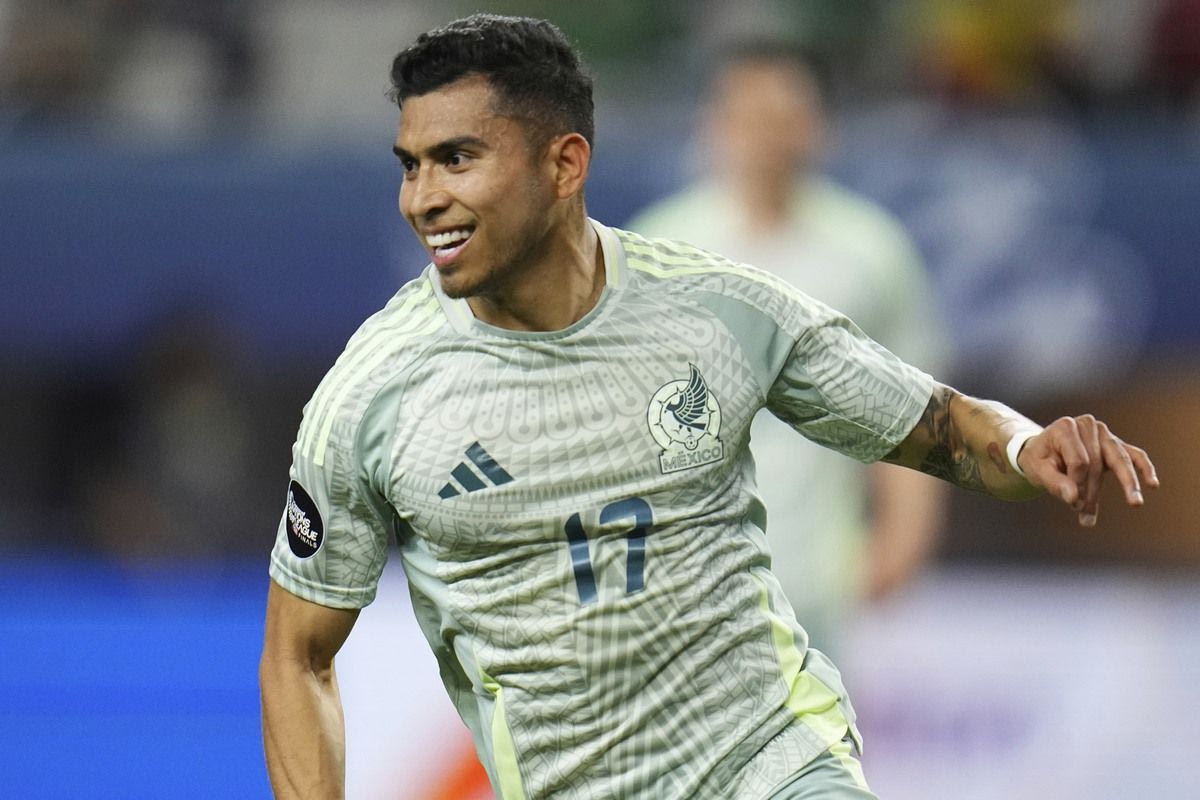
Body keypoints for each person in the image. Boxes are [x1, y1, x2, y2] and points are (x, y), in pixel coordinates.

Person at [259, 14, 1158, 800]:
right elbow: (298, 654)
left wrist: (1027, 447)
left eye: (457, 159)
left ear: (564, 163)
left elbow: (939, 424)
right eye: (411, 166)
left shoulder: (718, 308)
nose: (424, 199)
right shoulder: (373, 394)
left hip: (771, 759)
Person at [629, 41, 949, 652]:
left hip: (818, 578)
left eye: (784, 118)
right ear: (714, 127)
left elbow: (913, 405)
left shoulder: (870, 254)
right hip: (685, 576)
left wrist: (906, 531)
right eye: (749, 118)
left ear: (818, 127)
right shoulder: (659, 250)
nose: (766, 137)